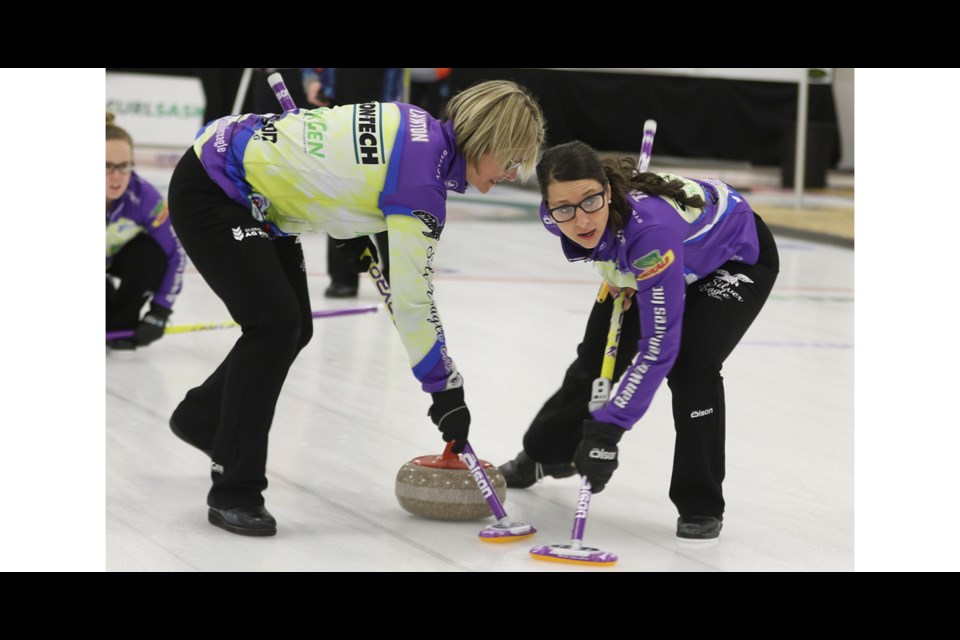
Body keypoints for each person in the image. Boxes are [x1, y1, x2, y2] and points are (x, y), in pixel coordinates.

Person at [166, 80, 545, 537]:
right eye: (511, 160)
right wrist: (444, 389)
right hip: (215, 187)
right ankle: (235, 489)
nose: (511, 173)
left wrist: (345, 219)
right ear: (487, 140)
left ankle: (203, 419)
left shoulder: (415, 124)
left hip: (255, 191)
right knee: (272, 325)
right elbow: (412, 300)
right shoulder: (423, 185)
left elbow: (332, 154)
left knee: (294, 327)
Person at [499, 140, 779, 540]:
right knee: (595, 359)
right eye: (563, 209)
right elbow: (598, 240)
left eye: (591, 201)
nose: (579, 221)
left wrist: (610, 428)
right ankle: (545, 453)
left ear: (607, 191)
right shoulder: (557, 217)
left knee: (691, 364)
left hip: (731, 257)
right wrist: (618, 271)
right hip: (655, 257)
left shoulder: (651, 233)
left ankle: (700, 501)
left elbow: (658, 345)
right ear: (547, 206)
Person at [301, 68, 404, 298]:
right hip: (337, 109)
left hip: (384, 113)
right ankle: (343, 275)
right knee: (339, 191)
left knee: (387, 193)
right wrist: (312, 80)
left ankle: (397, 275)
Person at [106, 112, 185, 351]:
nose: (117, 177)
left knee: (151, 254)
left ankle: (119, 328)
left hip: (114, 257)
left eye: (124, 166)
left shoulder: (143, 196)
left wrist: (160, 311)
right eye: (107, 166)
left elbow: (176, 254)